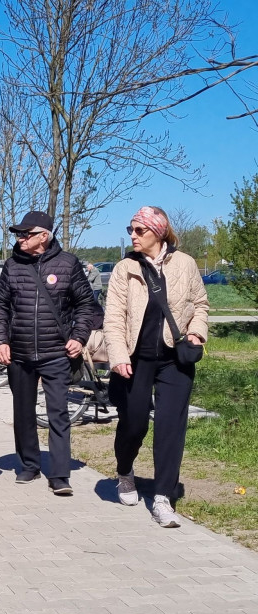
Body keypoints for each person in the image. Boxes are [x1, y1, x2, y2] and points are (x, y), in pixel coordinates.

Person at [104, 206, 209, 528]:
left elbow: (201, 304)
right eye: (130, 230)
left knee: (170, 428)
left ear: (158, 232)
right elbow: (114, 318)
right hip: (135, 361)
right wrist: (119, 356)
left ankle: (163, 497)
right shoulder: (125, 268)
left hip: (175, 359)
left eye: (139, 230)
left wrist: (196, 331)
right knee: (133, 424)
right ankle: (125, 472)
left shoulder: (185, 264)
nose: (133, 236)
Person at [0, 211, 97, 495]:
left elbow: (87, 304)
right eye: (19, 234)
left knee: (58, 412)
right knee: (23, 413)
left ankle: (60, 474)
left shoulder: (68, 263)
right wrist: (1, 340)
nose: (20, 238)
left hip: (56, 353)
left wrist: (79, 336)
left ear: (44, 235)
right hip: (19, 354)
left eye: (26, 233)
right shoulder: (12, 266)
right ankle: (29, 465)